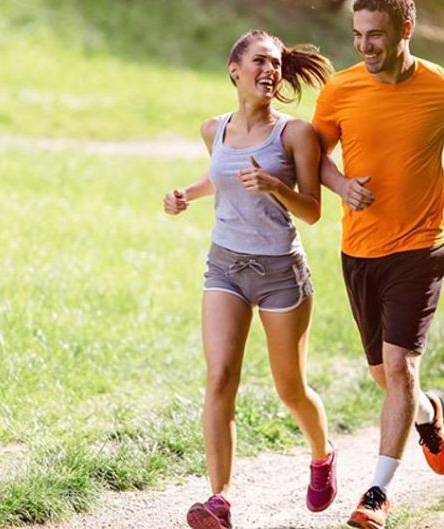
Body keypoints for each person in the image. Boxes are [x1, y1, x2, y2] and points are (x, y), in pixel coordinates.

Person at [312, 1, 444, 528]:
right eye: (357, 35)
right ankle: (430, 414)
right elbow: (315, 154)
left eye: (376, 35)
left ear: (406, 29)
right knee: (383, 377)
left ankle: (376, 495)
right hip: (360, 251)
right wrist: (341, 183)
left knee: (398, 367)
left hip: (421, 246)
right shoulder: (340, 90)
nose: (365, 46)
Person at [164, 30, 336, 529]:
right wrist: (185, 195)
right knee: (219, 379)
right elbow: (220, 175)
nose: (271, 70)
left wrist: (275, 185)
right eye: (260, 61)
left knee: (290, 390)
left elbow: (312, 212)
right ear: (234, 69)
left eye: (277, 64)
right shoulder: (212, 129)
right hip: (225, 266)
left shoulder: (295, 134)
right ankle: (219, 499)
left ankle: (323, 454)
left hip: (282, 272)